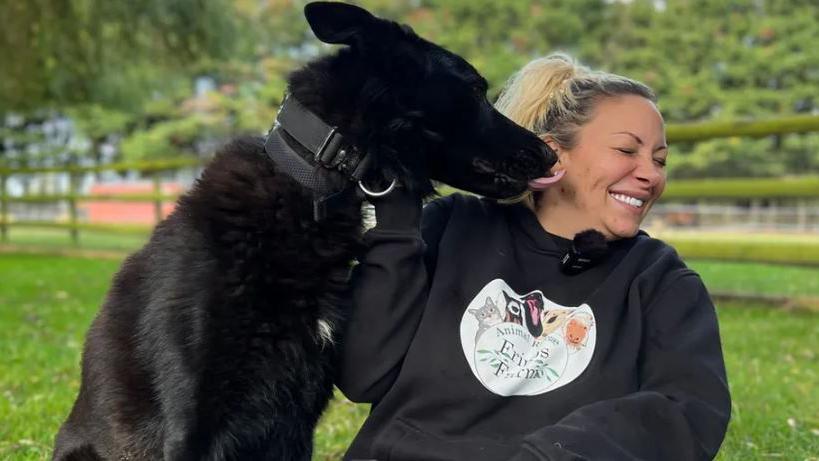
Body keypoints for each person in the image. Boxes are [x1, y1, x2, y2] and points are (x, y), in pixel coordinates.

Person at [337, 53, 731, 461]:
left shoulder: (657, 279)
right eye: (627, 150)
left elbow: (688, 408)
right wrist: (397, 223)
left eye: (660, 159)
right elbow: (362, 376)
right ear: (553, 155)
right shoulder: (450, 228)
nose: (651, 174)